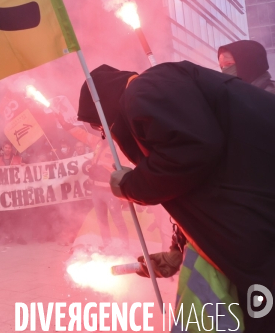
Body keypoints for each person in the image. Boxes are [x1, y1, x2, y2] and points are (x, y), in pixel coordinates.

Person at [78, 62, 275, 332]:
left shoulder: (142, 90)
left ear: (105, 106)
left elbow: (193, 149)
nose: (105, 136)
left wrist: (131, 185)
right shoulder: (157, 88)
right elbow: (199, 184)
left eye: (99, 127)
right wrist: (177, 251)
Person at [57, 114, 129, 251]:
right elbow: (80, 133)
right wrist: (64, 123)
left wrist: (105, 170)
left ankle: (125, 245)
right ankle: (107, 245)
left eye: (105, 130)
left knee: (118, 220)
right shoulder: (97, 142)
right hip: (96, 189)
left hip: (110, 191)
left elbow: (125, 168)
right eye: (102, 130)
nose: (102, 133)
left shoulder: (118, 147)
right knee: (102, 220)